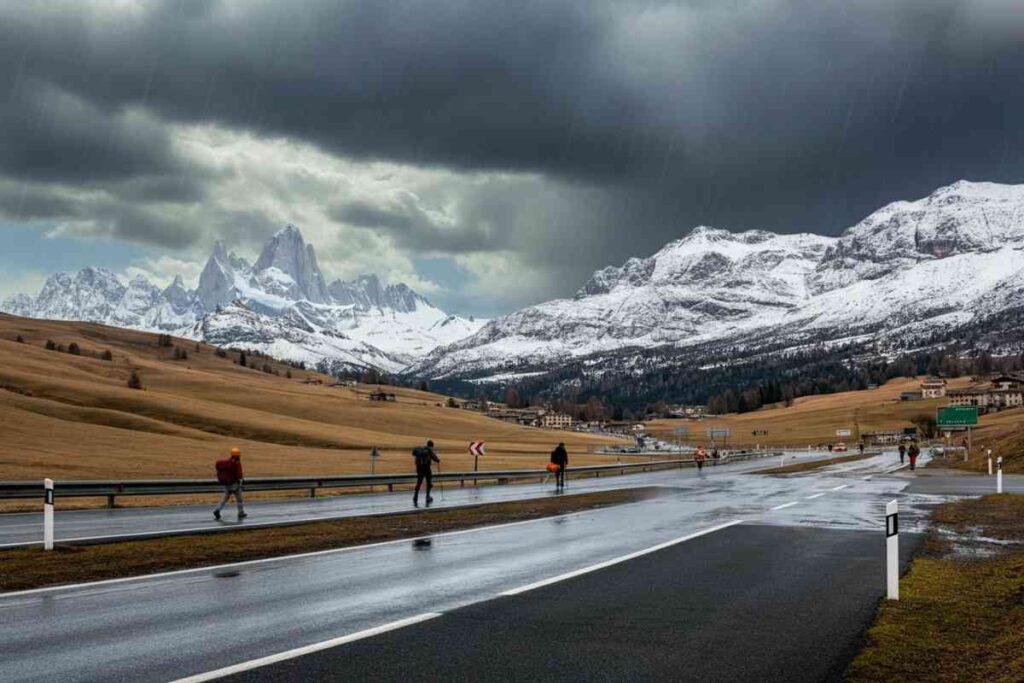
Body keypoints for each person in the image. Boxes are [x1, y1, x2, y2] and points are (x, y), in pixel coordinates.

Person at [214, 447, 246, 520]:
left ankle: (218, 509)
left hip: (227, 484)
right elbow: (239, 474)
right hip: (235, 485)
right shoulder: (236, 463)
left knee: (224, 499)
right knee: (239, 499)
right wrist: (241, 481)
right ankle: (240, 512)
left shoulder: (228, 462)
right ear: (238, 455)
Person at [413, 440, 440, 507]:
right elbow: (435, 458)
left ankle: (415, 497)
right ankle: (427, 497)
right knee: (429, 483)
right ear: (431, 446)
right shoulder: (429, 451)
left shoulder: (421, 450)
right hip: (426, 469)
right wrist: (438, 460)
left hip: (419, 469)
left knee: (419, 483)